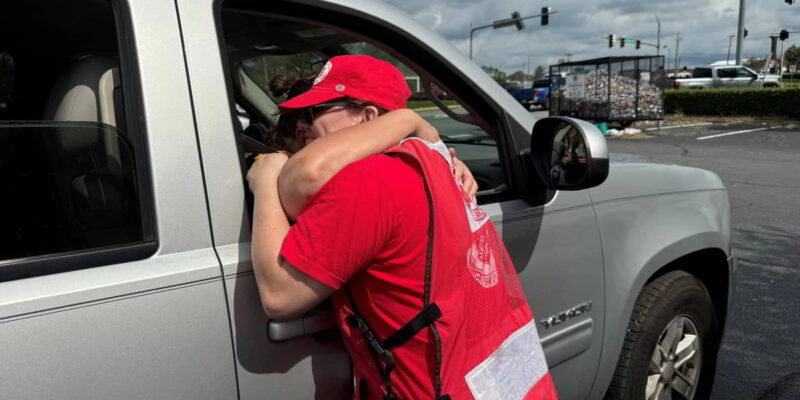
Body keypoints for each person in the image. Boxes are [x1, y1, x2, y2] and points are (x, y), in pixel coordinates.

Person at [247, 55, 557, 399]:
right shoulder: (435, 159)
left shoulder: (368, 181)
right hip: (513, 382)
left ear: (369, 118)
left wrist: (265, 178)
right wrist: (412, 123)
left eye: (316, 111)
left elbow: (280, 295)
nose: (303, 125)